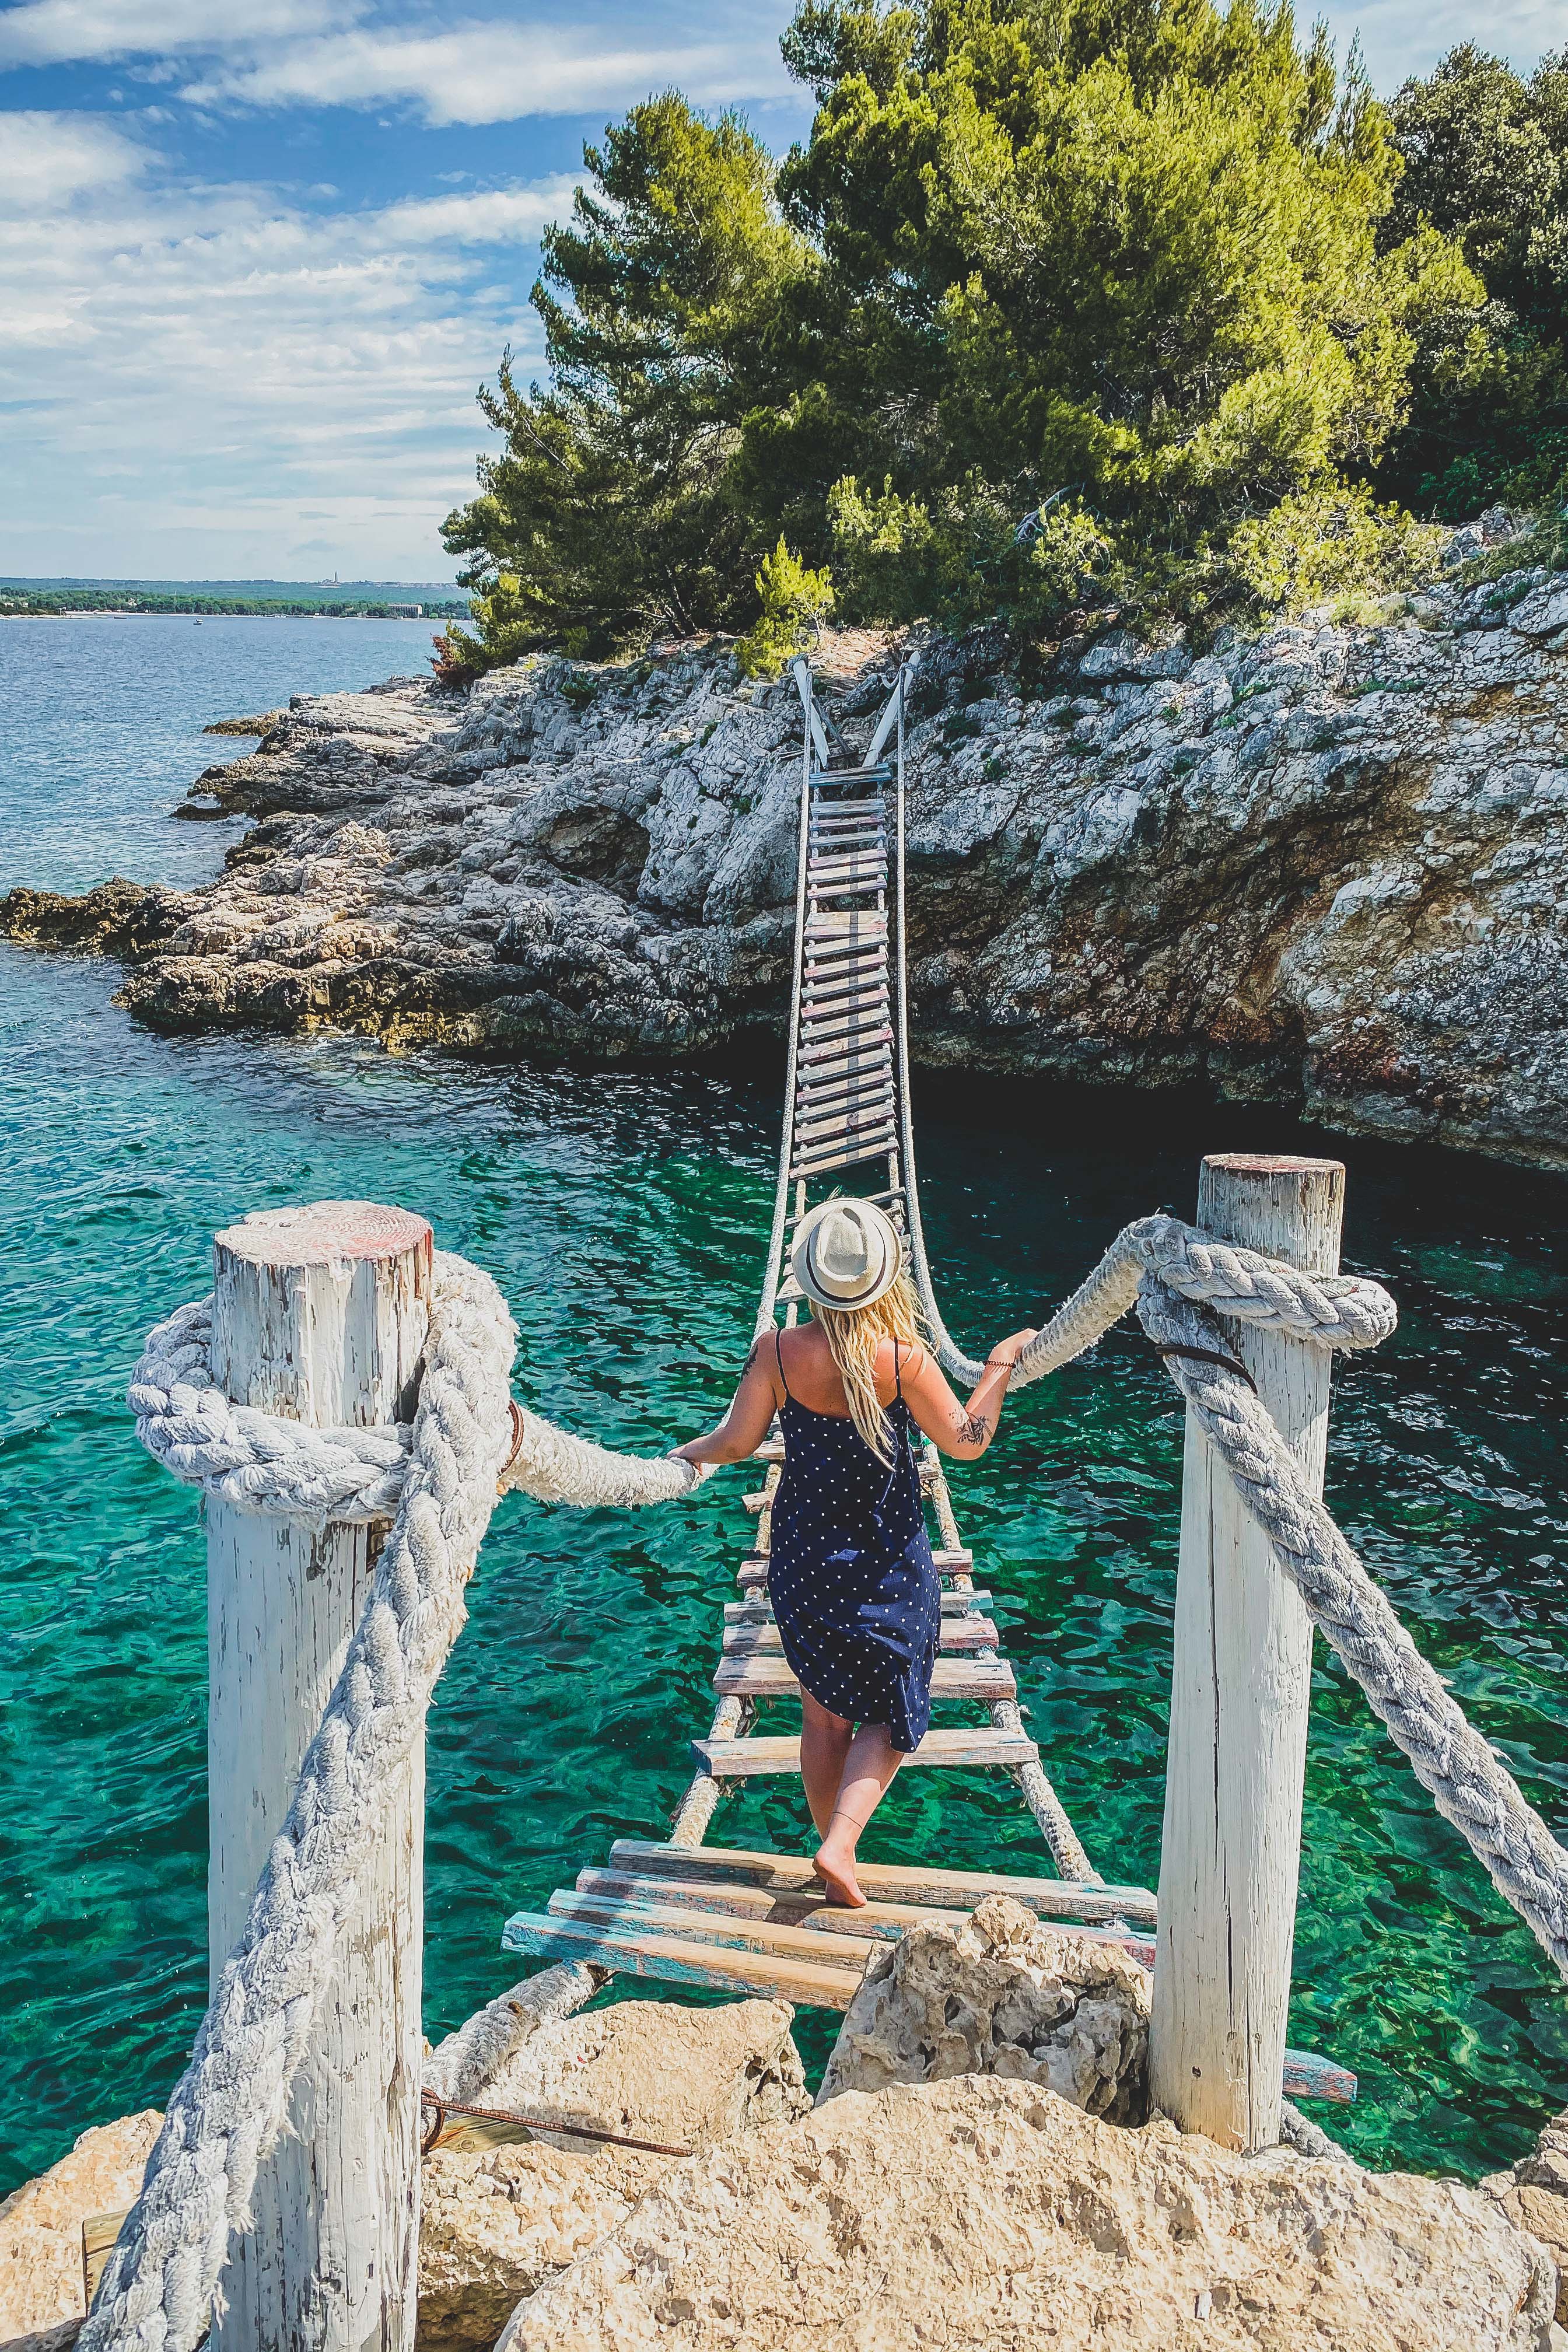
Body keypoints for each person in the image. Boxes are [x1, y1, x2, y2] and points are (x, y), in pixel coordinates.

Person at [675, 1198, 1037, 1907]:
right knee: (892, 1711)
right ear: (885, 1280)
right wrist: (997, 1367)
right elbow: (967, 1442)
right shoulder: (904, 1361)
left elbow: (737, 1444)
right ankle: (840, 1843)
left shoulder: (777, 1353)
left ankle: (832, 1848)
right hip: (888, 1563)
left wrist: (675, 1459)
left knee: (822, 1715)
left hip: (804, 1561)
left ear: (808, 1280)